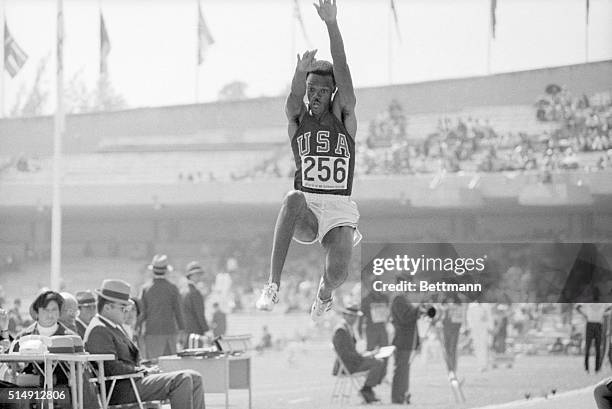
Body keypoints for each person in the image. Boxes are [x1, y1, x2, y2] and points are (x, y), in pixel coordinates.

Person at [256, 0, 360, 321]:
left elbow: (344, 76)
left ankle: (324, 295)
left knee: (338, 273)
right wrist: (299, 74)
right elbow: (292, 99)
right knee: (292, 197)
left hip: (339, 206)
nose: (315, 95)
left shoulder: (344, 116)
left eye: (322, 90)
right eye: (311, 88)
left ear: (332, 93)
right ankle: (272, 285)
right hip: (309, 208)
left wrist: (331, 24)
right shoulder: (298, 118)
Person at [85, 279, 205, 409]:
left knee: (195, 377)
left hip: (133, 381)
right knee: (182, 379)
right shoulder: (99, 329)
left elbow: (129, 360)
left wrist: (146, 368)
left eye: (128, 308)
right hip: (122, 389)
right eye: (123, 308)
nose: (127, 312)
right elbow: (110, 368)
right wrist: (143, 371)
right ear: (107, 307)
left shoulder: (113, 326)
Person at [332, 305, 385, 404]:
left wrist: (367, 354)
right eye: (351, 316)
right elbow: (345, 355)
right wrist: (364, 356)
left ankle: (367, 390)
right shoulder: (341, 330)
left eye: (355, 316)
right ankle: (366, 390)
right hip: (348, 366)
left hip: (353, 362)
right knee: (378, 363)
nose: (354, 319)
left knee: (379, 361)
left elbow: (351, 351)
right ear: (344, 315)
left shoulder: (347, 328)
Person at [139, 254, 186, 359]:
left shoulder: (145, 289)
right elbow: (179, 312)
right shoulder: (173, 288)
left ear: (152, 271)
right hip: (169, 332)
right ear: (166, 271)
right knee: (170, 366)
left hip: (152, 332)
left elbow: (142, 313)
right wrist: (182, 329)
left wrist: (137, 328)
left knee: (153, 365)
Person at [390, 294, 419, 405]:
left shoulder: (404, 299)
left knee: (404, 369)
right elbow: (405, 318)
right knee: (401, 370)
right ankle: (398, 398)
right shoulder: (398, 299)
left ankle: (403, 395)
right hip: (402, 341)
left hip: (407, 341)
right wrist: (418, 309)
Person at [577, 299, 610, 373]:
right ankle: (586, 368)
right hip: (590, 324)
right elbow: (578, 307)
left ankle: (597, 368)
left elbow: (610, 308)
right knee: (587, 347)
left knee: (598, 348)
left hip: (598, 324)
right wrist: (585, 314)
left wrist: (603, 314)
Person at [182, 261, 209, 342]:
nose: (199, 277)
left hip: (185, 332)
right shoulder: (195, 292)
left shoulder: (182, 291)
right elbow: (199, 314)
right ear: (191, 275)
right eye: (197, 274)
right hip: (196, 332)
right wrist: (206, 330)